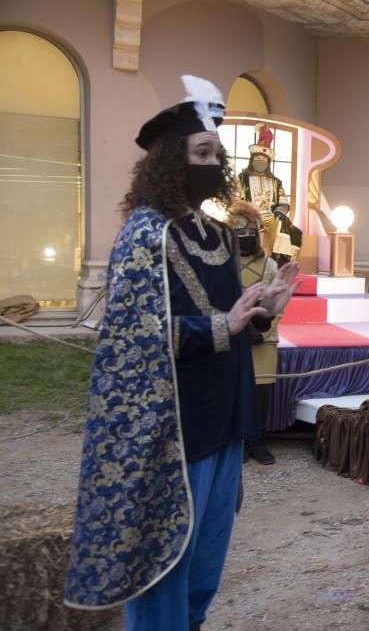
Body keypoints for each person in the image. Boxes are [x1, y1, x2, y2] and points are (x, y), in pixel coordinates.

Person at [64, 75, 299, 630]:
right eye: (202, 152)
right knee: (166, 556)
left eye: (217, 152)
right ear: (173, 161)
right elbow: (134, 338)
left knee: (205, 563)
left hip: (223, 415)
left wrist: (264, 303)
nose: (213, 162)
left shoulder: (214, 233)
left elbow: (233, 314)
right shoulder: (145, 235)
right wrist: (225, 324)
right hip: (172, 426)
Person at [230, 201, 281, 465]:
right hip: (234, 337)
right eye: (241, 235)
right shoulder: (225, 266)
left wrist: (264, 329)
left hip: (265, 339)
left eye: (251, 234)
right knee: (237, 392)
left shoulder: (270, 265)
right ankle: (238, 441)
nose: (247, 239)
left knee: (261, 395)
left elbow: (277, 305)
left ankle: (258, 441)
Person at [238, 123, 287, 256]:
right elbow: (235, 200)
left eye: (264, 158)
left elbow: (283, 202)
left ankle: (278, 257)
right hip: (249, 215)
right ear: (252, 160)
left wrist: (279, 212)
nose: (261, 160)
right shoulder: (242, 179)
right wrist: (245, 210)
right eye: (258, 158)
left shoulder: (275, 182)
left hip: (269, 215)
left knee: (283, 226)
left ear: (268, 162)